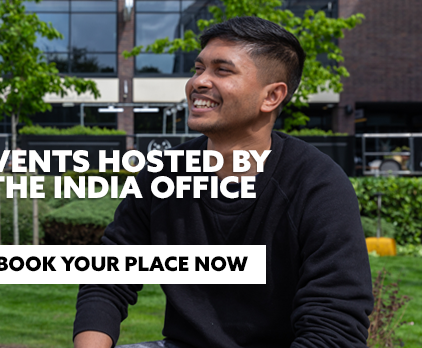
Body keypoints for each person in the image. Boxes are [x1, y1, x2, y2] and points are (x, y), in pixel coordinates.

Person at [73, 17, 373, 348]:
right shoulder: (164, 173)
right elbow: (108, 277)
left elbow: (334, 328)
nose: (198, 82)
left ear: (271, 96)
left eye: (222, 70)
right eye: (198, 68)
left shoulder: (317, 184)